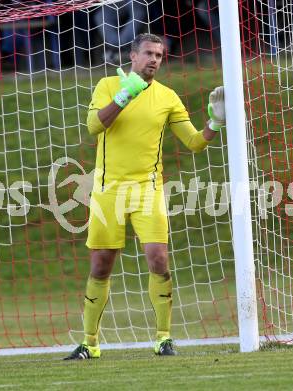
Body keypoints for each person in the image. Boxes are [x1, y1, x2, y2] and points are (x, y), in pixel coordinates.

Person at [64, 33, 226, 360]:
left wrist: (215, 122)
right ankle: (89, 343)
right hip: (108, 190)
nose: (154, 59)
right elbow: (94, 126)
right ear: (132, 56)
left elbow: (194, 142)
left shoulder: (167, 97)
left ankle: (164, 339)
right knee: (100, 266)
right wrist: (124, 96)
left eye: (160, 55)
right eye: (149, 53)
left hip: (147, 189)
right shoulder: (109, 85)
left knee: (159, 258)